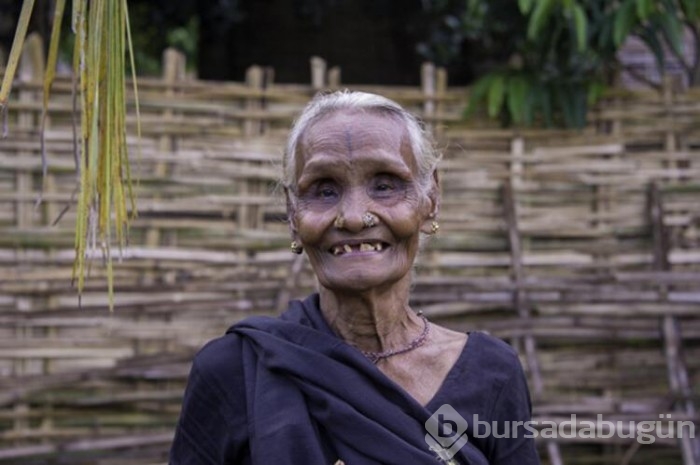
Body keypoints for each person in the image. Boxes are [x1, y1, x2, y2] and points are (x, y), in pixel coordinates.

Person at [169, 90, 541, 464]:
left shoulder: (491, 373)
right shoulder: (234, 370)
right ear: (293, 214)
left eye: (385, 185)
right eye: (324, 190)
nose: (352, 216)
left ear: (431, 200)